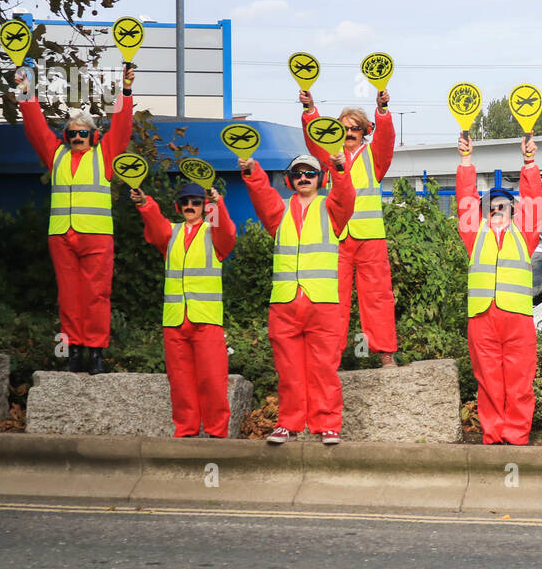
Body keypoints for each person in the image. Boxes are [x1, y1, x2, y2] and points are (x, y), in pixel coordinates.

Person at [18, 62, 135, 374]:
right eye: (72, 133)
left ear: (93, 135)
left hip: (96, 236)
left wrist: (125, 91)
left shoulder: (104, 154)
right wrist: (25, 92)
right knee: (68, 297)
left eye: (83, 133)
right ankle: (72, 352)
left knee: (97, 295)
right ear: (66, 136)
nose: (77, 137)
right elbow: (35, 129)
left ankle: (95, 352)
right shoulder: (55, 154)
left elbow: (122, 126)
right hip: (61, 236)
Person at [240, 151, 354, 445]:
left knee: (324, 369)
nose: (304, 177)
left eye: (310, 173)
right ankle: (288, 424)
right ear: (290, 181)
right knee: (288, 370)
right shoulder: (279, 212)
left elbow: (346, 196)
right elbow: (263, 196)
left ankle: (327, 424)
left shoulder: (331, 209)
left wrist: (340, 169)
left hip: (323, 303)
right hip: (285, 304)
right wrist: (253, 171)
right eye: (298, 174)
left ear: (320, 178)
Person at [130, 181, 236, 438]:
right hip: (175, 320)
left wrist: (216, 203)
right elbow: (155, 225)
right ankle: (186, 431)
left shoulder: (214, 232)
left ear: (203, 206)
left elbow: (228, 233)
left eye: (196, 202)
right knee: (180, 382)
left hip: (207, 318)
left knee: (212, 379)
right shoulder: (170, 234)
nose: (191, 205)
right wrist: (144, 203)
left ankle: (216, 432)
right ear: (179, 206)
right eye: (186, 202)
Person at [457, 134, 542, 445]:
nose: (497, 209)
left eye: (503, 205)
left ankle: (517, 433)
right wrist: (466, 161)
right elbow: (465, 198)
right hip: (482, 318)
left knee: (520, 379)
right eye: (491, 205)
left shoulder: (526, 234)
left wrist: (529, 163)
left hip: (517, 318)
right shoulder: (473, 233)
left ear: (513, 210)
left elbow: (534, 199)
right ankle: (493, 432)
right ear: (484, 210)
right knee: (489, 379)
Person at [301, 90, 398, 366]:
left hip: (370, 238)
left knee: (378, 296)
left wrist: (382, 110)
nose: (350, 133)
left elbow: (386, 139)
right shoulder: (331, 156)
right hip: (338, 236)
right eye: (344, 129)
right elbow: (313, 138)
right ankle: (331, 354)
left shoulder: (374, 157)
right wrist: (310, 109)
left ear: (365, 131)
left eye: (355, 128)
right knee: (333, 297)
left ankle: (385, 353)